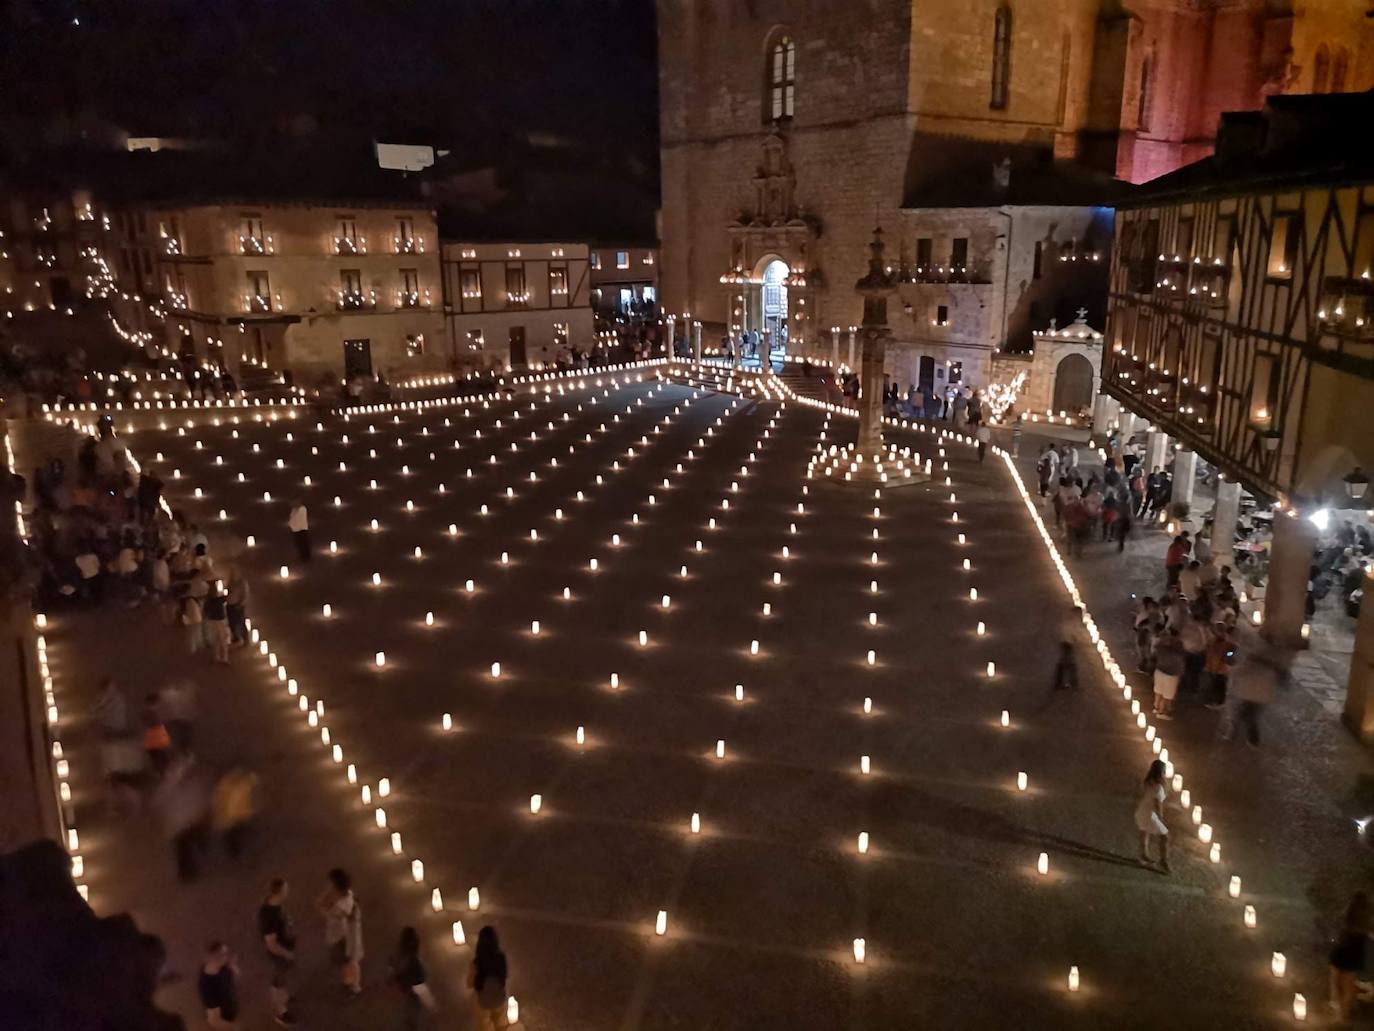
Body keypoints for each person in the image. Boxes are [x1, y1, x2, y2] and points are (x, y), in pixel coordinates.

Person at [258, 878, 299, 1026]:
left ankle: (285, 998)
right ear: (279, 893)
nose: (287, 892)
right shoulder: (269, 916)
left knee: (282, 979)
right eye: (285, 890)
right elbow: (271, 944)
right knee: (278, 982)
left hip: (284, 950)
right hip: (279, 955)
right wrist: (286, 954)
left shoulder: (275, 906)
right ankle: (280, 1012)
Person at [318, 867, 364, 995]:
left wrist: (326, 896)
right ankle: (349, 980)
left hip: (342, 938)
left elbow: (322, 908)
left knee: (351, 961)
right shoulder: (347, 896)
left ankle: (355, 986)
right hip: (344, 936)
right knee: (347, 961)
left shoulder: (340, 907)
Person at [1329, 892, 1371, 1021]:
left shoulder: (1348, 915)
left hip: (1342, 949)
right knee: (1347, 985)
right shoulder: (1364, 918)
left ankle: (1339, 1012)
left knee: (1336, 983)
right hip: (1351, 952)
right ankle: (1342, 1014)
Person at [391, 926, 438, 1030]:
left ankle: (411, 1023)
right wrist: (431, 1005)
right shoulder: (414, 962)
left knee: (411, 1008)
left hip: (407, 988)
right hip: (415, 987)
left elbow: (396, 971)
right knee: (415, 1009)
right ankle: (413, 1025)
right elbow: (420, 985)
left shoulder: (401, 957)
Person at [213, 766, 259, 859]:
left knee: (236, 835)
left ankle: (236, 851)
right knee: (235, 835)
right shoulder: (233, 786)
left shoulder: (227, 785)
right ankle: (236, 851)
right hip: (236, 816)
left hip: (236, 816)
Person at [467, 925, 508, 1030]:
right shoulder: (501, 958)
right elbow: (504, 977)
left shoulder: (476, 963)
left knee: (484, 1023)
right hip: (500, 1000)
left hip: (483, 1003)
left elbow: (469, 984)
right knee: (501, 1023)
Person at [1134, 759, 1171, 873]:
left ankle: (1143, 855)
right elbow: (1157, 804)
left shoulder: (1149, 781)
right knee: (1165, 836)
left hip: (1142, 810)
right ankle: (1163, 860)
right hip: (1150, 813)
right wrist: (1161, 818)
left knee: (1144, 832)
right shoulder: (1159, 787)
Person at [198, 941, 240, 1028]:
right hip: (225, 1021)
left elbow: (234, 980)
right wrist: (233, 1028)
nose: (226, 957)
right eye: (222, 955)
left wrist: (233, 967)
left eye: (226, 953)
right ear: (211, 957)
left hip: (231, 1011)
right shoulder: (206, 984)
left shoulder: (224, 967)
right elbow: (214, 1021)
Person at [1152, 626, 1184, 720]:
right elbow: (1179, 658)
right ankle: (1163, 711)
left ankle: (1157, 707)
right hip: (1171, 673)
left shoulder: (1159, 647)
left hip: (1160, 670)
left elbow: (1154, 656)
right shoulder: (1176, 648)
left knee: (1159, 691)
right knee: (1168, 694)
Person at [204, 586, 231, 664]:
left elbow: (205, 612)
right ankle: (224, 659)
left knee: (216, 640)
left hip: (212, 621)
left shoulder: (208, 602)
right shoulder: (220, 600)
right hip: (221, 621)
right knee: (223, 640)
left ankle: (216, 657)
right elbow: (227, 598)